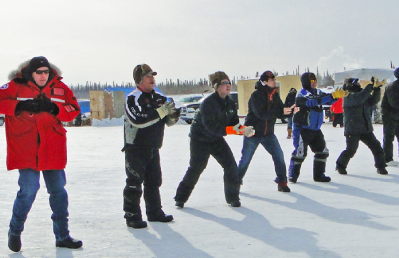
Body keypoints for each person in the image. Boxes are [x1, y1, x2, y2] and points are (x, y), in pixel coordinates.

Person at [0, 56, 83, 251]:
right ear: (31, 73)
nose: (43, 76)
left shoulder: (60, 87)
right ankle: (14, 231)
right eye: (39, 72)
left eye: (45, 72)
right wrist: (19, 106)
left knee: (58, 192)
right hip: (26, 148)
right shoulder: (16, 85)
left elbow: (74, 109)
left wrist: (54, 108)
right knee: (29, 190)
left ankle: (62, 236)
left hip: (52, 147)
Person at [174, 71, 243, 208]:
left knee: (231, 166)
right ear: (217, 86)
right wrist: (231, 130)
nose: (228, 85)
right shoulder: (208, 103)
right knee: (197, 168)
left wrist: (244, 129)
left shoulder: (230, 103)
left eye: (229, 82)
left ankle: (233, 197)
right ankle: (180, 198)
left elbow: (234, 124)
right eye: (224, 83)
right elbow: (211, 127)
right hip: (200, 139)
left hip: (216, 139)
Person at [122, 64, 179, 229]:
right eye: (148, 76)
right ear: (140, 79)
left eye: (153, 76)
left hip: (154, 146)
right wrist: (161, 112)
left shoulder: (159, 97)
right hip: (136, 148)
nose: (152, 79)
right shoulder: (132, 97)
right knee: (134, 182)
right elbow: (138, 120)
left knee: (154, 181)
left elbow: (167, 121)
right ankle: (132, 216)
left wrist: (173, 115)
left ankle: (154, 212)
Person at [238, 70, 296, 192]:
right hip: (252, 133)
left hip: (268, 134)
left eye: (274, 79)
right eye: (272, 80)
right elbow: (261, 114)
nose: (274, 82)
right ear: (265, 82)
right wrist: (279, 112)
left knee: (279, 156)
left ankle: (282, 182)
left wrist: (289, 111)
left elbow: (280, 112)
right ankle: (235, 182)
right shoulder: (256, 95)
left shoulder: (274, 94)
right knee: (245, 159)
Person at [287, 72, 348, 183]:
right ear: (306, 82)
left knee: (322, 151)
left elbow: (328, 100)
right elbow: (312, 102)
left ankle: (319, 175)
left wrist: (336, 97)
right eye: (311, 81)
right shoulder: (301, 94)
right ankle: (292, 175)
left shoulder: (319, 92)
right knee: (300, 153)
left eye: (315, 81)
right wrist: (331, 96)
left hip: (315, 129)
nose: (314, 83)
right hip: (302, 128)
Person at [335, 77, 388, 175]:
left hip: (365, 128)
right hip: (353, 129)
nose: (358, 84)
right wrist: (370, 86)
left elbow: (373, 101)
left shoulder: (362, 94)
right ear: (349, 85)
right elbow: (360, 97)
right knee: (351, 150)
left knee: (376, 147)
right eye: (355, 83)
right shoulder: (348, 95)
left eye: (358, 82)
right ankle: (340, 165)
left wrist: (376, 88)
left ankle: (381, 166)